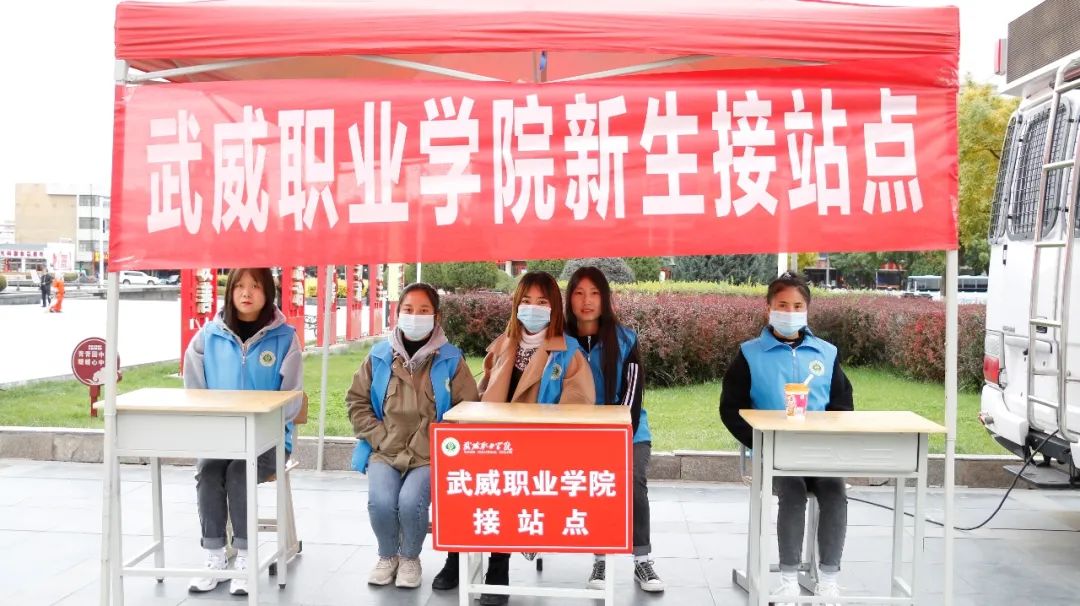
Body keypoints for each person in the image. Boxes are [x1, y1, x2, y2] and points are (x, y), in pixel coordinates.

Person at [431, 271, 595, 605]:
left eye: (542, 302)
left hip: (537, 451)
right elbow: (482, 393)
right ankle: (455, 555)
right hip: (491, 442)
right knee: (460, 478)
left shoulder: (568, 353)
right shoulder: (503, 345)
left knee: (505, 486)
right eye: (526, 301)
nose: (533, 308)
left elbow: (578, 406)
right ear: (516, 305)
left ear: (554, 308)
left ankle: (498, 565)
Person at [719, 272, 853, 605]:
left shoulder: (826, 353)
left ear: (807, 310)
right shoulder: (749, 354)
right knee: (792, 493)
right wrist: (761, 442)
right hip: (774, 455)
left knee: (835, 492)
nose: (789, 312)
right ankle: (789, 580)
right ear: (768, 308)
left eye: (797, 306)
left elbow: (842, 405)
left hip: (820, 453)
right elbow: (730, 408)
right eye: (782, 305)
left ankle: (829, 580)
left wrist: (830, 438)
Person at [346, 282, 479, 589]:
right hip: (385, 449)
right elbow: (357, 401)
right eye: (408, 309)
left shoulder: (451, 360)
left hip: (430, 454)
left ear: (436, 317)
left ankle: (409, 558)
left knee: (410, 502)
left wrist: (441, 443)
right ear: (397, 313)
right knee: (381, 502)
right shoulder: (379, 356)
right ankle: (387, 556)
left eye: (423, 310)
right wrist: (378, 436)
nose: (415, 316)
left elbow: (467, 407)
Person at [183, 267, 304, 597]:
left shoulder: (285, 338)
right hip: (221, 439)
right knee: (208, 471)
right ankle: (215, 556)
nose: (246, 293)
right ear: (230, 291)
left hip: (270, 441)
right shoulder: (207, 336)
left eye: (255, 286)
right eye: (239, 286)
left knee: (240, 472)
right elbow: (194, 390)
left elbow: (292, 399)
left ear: (268, 293)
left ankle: (246, 559)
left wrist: (263, 423)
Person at [564, 267, 665, 593]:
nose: (587, 301)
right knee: (594, 484)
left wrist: (616, 435)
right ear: (569, 299)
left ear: (605, 298)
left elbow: (632, 396)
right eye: (579, 293)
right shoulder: (559, 341)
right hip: (577, 434)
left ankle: (642, 559)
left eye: (595, 293)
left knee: (631, 480)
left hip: (628, 430)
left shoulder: (625, 339)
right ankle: (600, 558)